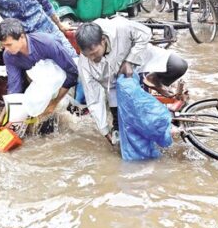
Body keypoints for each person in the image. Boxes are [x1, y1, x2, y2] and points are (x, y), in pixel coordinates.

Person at [75, 17, 188, 145]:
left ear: (103, 40)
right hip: (114, 86)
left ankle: (154, 79)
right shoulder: (84, 64)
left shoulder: (120, 27)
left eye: (94, 53)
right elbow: (93, 98)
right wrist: (104, 130)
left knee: (179, 66)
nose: (92, 58)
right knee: (122, 135)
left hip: (140, 60)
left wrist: (129, 60)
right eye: (87, 55)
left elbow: (145, 33)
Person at [0, 18, 78, 124]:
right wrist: (2, 118)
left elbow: (72, 72)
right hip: (39, 83)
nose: (6, 49)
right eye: (4, 46)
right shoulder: (9, 56)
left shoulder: (47, 43)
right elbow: (14, 89)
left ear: (22, 37)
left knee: (64, 112)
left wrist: (55, 102)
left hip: (64, 79)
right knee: (34, 121)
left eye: (9, 45)